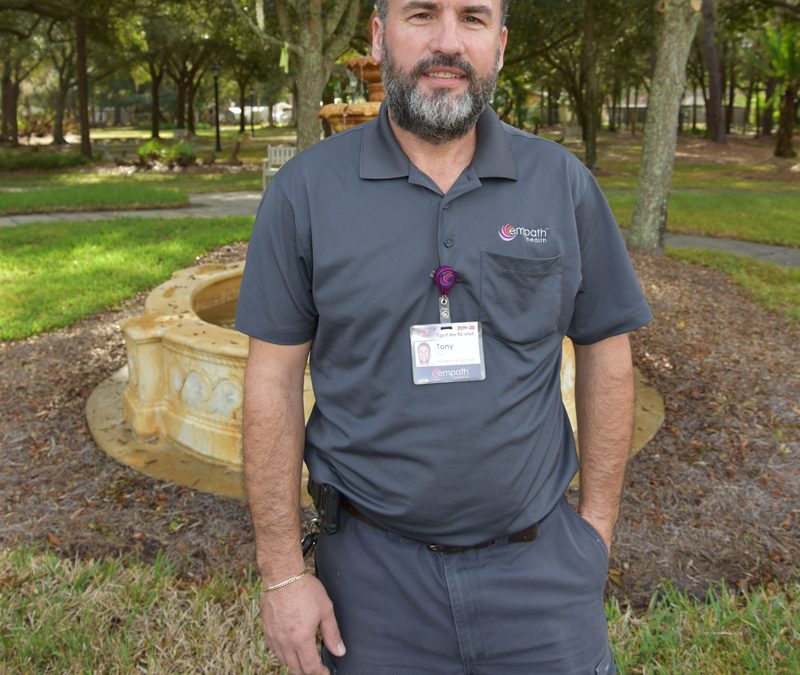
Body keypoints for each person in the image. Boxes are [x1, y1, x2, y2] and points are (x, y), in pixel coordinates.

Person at [235, 0, 652, 673]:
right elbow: (272, 380)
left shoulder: (561, 184)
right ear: (379, 37)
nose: (449, 42)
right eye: (423, 15)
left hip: (541, 573)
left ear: (501, 45)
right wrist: (282, 571)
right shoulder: (306, 192)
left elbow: (606, 351)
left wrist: (596, 529)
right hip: (369, 583)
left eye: (473, 19)